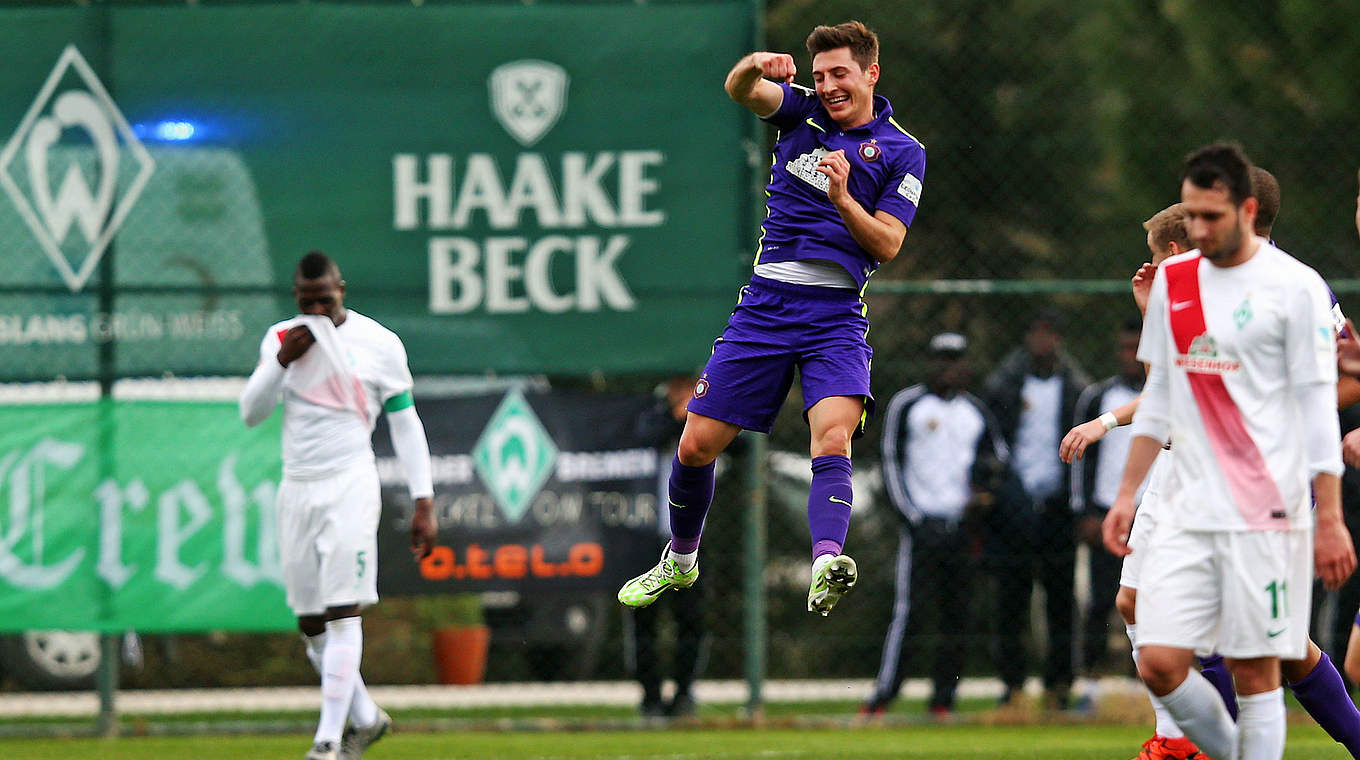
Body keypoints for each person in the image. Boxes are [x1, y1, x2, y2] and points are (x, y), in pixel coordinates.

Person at [616, 20, 926, 617]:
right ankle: (680, 560)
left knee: (831, 438)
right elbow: (739, 90)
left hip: (835, 314)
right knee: (696, 446)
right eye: (820, 76)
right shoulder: (801, 114)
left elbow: (887, 243)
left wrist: (842, 197)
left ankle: (826, 561)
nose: (830, 86)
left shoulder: (901, 151)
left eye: (840, 73)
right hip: (766, 306)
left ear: (871, 73)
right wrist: (754, 63)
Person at [1071, 172, 1360, 760]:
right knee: (1180, 636)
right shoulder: (1186, 282)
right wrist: (1125, 489)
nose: (1193, 220)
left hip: (1269, 484)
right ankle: (1192, 745)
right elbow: (1168, 396)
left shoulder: (1297, 287)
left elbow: (1348, 379)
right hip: (1199, 482)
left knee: (1249, 644)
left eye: (1208, 210)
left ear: (1245, 214)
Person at [240, 251, 438, 760]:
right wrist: (283, 360)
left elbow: (405, 422)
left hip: (350, 482)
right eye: (307, 302)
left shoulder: (378, 343)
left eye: (325, 300)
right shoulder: (282, 338)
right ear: (295, 298)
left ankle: (328, 741)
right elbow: (251, 413)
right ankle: (367, 718)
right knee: (310, 621)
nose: (317, 311)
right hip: (297, 487)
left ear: (341, 290)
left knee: (343, 611)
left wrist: (424, 500)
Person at [861, 332, 1007, 716]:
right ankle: (885, 694)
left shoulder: (975, 412)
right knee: (910, 612)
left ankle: (943, 700)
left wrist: (984, 495)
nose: (948, 367)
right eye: (941, 359)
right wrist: (911, 517)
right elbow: (890, 463)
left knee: (957, 615)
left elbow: (997, 460)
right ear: (930, 362)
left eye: (955, 360)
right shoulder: (907, 404)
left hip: (962, 527)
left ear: (965, 366)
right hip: (921, 526)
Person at [981, 308, 1090, 709]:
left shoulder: (1075, 389)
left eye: (1049, 333)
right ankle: (1011, 685)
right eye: (1036, 333)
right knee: (1011, 597)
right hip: (1013, 507)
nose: (1042, 341)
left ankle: (1059, 684)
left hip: (1058, 507)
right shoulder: (1005, 385)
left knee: (1061, 599)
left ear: (1059, 340)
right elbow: (991, 441)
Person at [625, 377, 709, 718]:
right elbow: (645, 436)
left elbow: (740, 444)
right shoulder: (651, 412)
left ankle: (685, 693)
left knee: (691, 619)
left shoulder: (710, 414)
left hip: (691, 539)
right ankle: (650, 698)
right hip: (646, 534)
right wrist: (678, 417)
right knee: (643, 618)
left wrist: (695, 418)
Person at [1070, 318, 1146, 676]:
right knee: (1100, 600)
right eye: (1124, 348)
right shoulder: (1100, 398)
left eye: (1137, 348)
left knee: (1150, 600)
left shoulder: (1171, 395)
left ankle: (1144, 680)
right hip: (1106, 512)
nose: (1129, 356)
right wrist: (1083, 511)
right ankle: (1092, 678)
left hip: (1154, 512)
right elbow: (1079, 461)